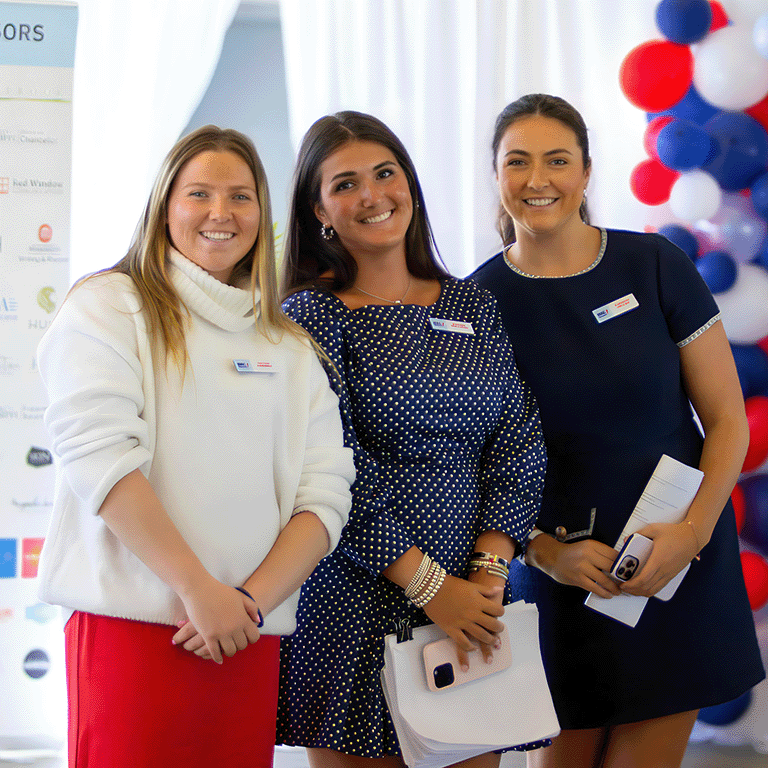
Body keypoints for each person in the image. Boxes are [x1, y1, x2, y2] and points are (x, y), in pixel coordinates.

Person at [36, 125, 354, 768]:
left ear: (262, 216)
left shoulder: (288, 347)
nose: (220, 213)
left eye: (240, 196)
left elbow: (325, 493)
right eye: (198, 193)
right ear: (164, 205)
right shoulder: (109, 306)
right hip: (133, 634)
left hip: (247, 637)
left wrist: (248, 604)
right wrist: (196, 589)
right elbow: (98, 458)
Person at [472, 93, 765, 768]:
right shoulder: (478, 302)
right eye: (517, 162)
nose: (538, 179)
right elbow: (477, 466)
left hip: (675, 559)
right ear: (495, 176)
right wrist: (545, 554)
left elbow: (725, 422)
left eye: (557, 160)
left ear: (585, 172)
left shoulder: (654, 266)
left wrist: (690, 533)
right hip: (561, 573)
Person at [275, 110, 547, 768]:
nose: (372, 195)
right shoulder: (312, 315)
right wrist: (430, 587)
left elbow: (519, 443)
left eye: (385, 173)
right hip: (355, 599)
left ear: (411, 185)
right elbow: (329, 465)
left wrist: (485, 573)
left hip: (473, 596)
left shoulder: (473, 306)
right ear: (320, 213)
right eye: (345, 184)